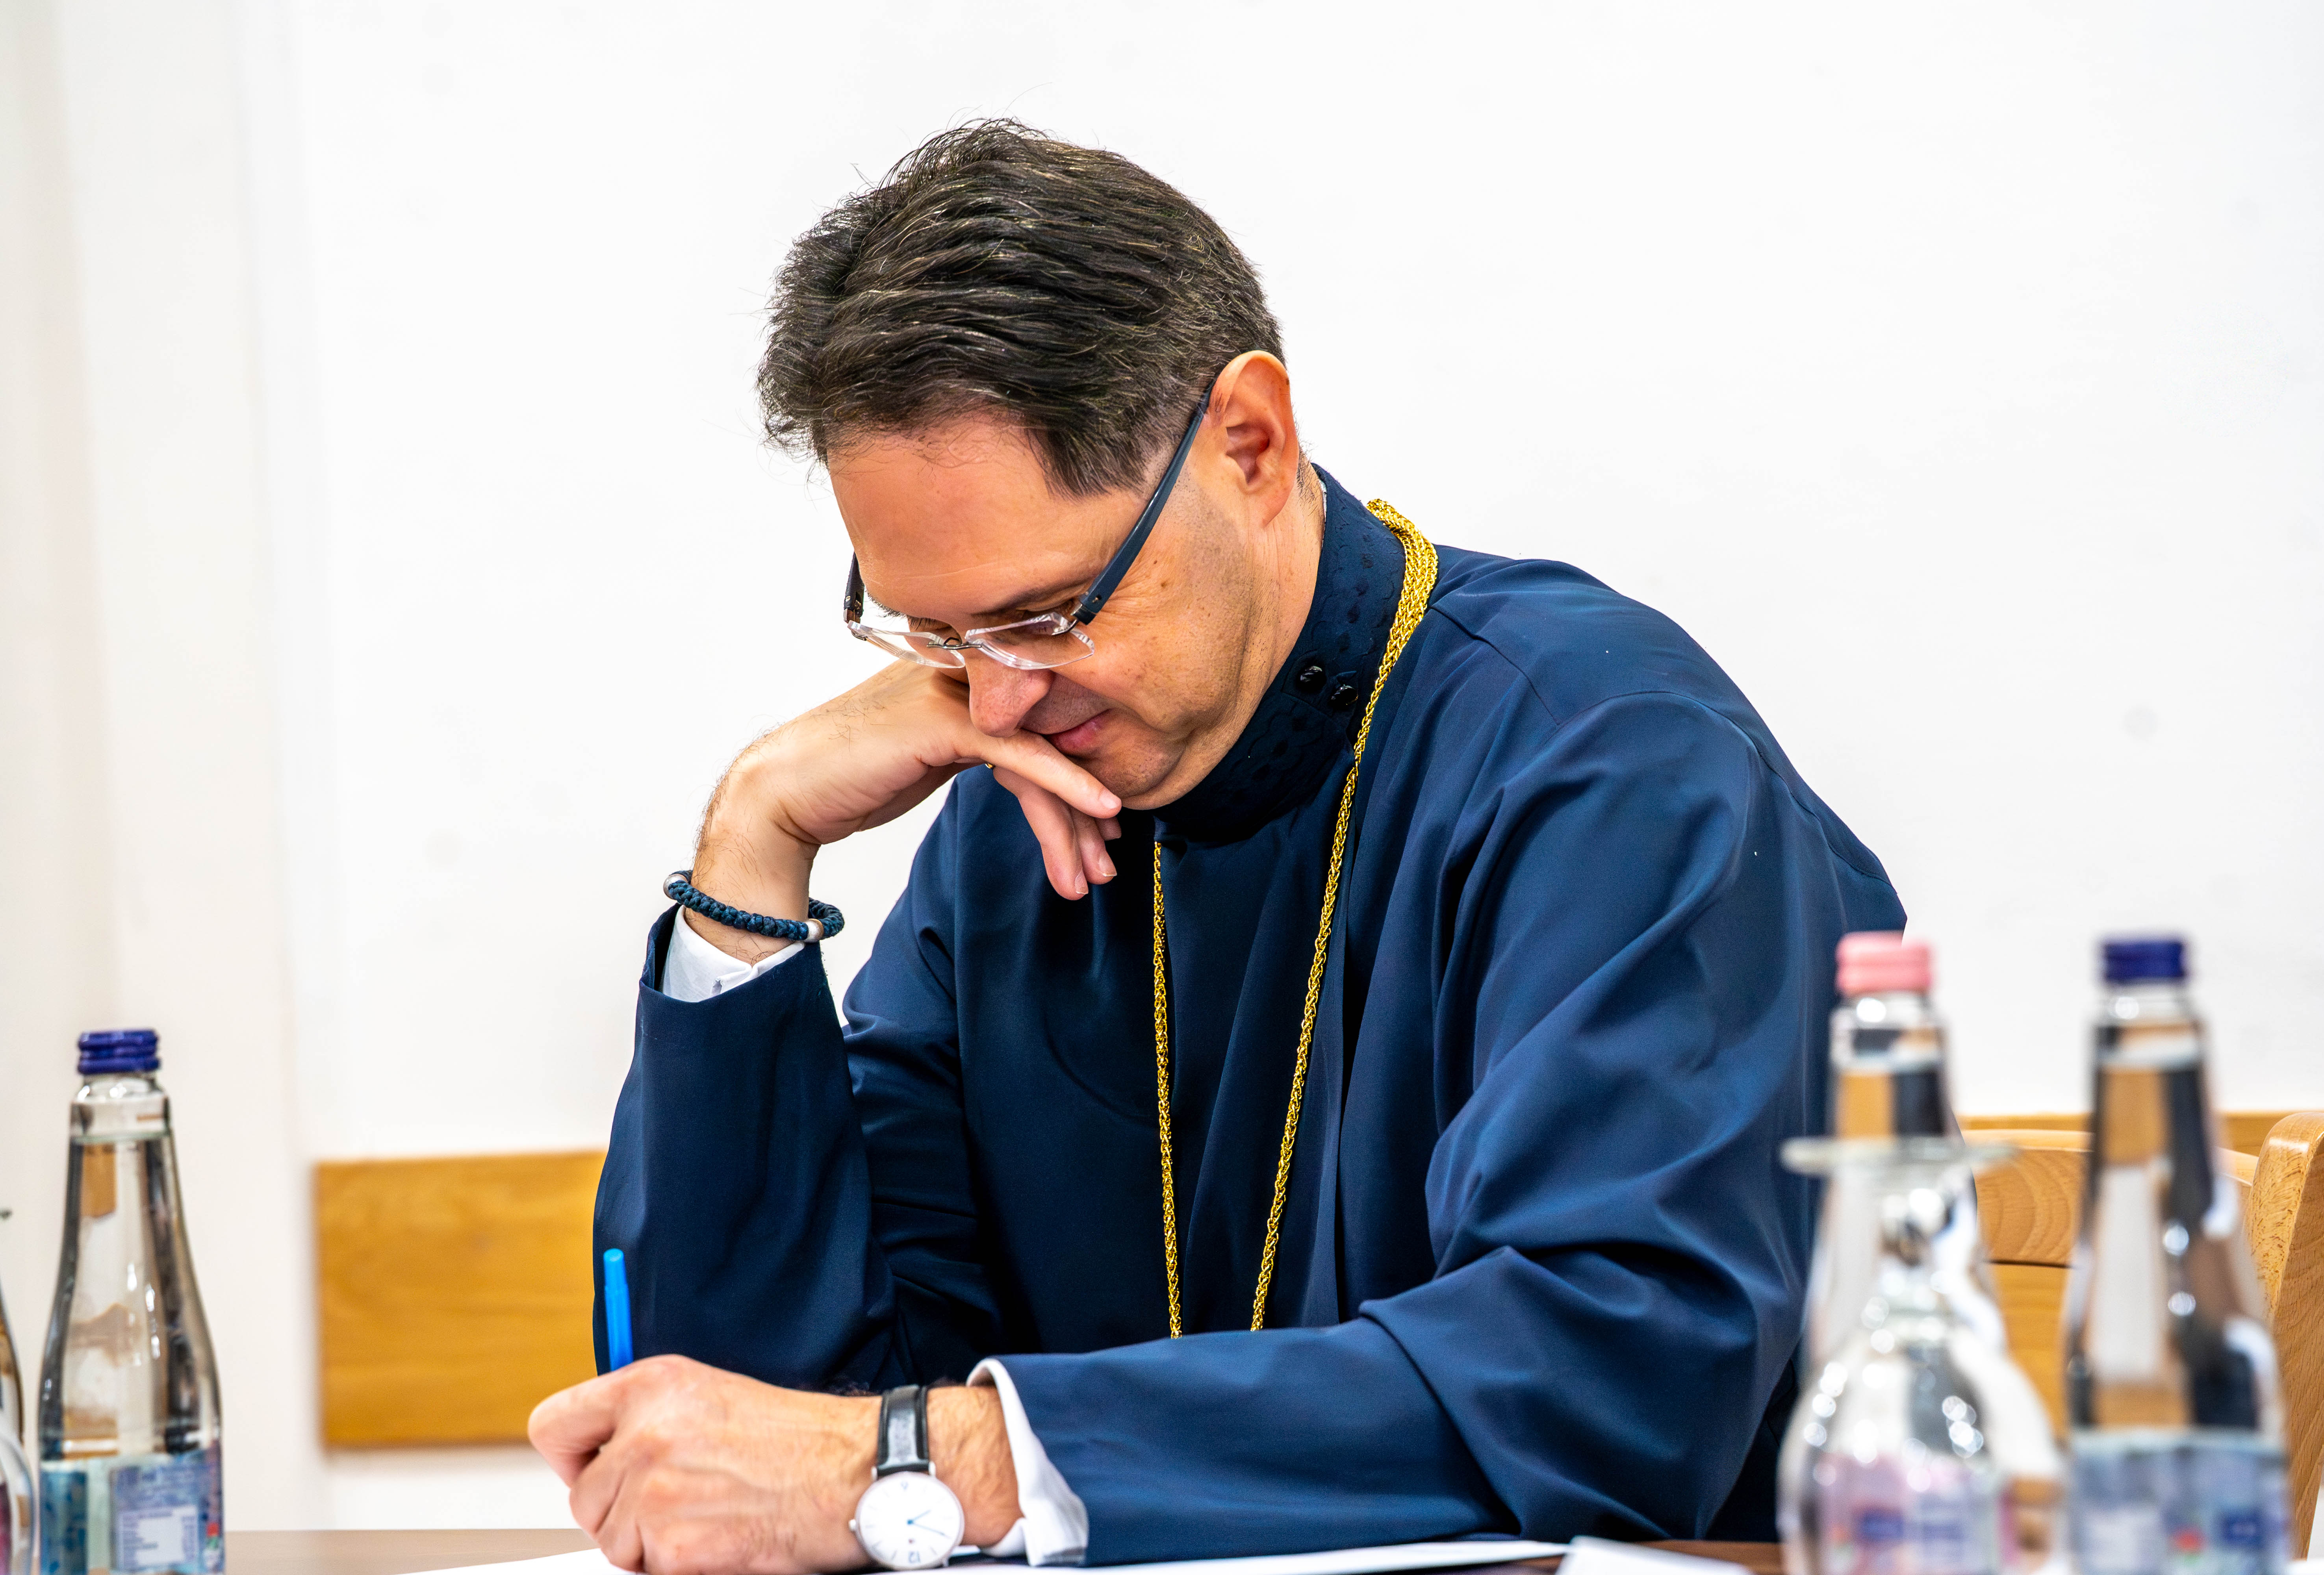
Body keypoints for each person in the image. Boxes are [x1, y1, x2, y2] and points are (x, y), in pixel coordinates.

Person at [526, 120, 1905, 1575]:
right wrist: (755, 843)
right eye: (937, 635)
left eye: (1047, 614)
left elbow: (1606, 1380)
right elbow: (764, 1437)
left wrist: (951, 1462)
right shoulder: (1021, 810)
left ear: (1250, 443)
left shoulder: (1607, 758)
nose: (996, 701)